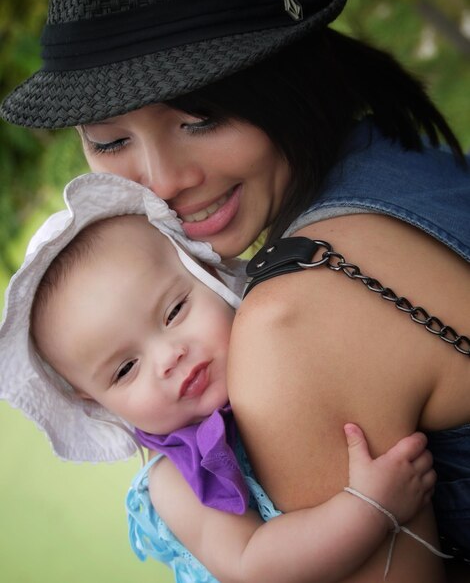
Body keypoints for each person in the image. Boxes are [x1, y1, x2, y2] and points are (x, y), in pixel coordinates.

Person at [1, 0, 469, 580]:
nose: (165, 181)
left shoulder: (290, 332)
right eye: (110, 141)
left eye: (201, 119)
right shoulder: (391, 150)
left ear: (284, 77)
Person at [0, 172, 439, 583]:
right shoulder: (176, 482)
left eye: (174, 312)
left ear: (208, 274)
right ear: (95, 403)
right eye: (125, 369)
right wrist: (369, 508)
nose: (168, 358)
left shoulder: (281, 338)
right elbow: (254, 563)